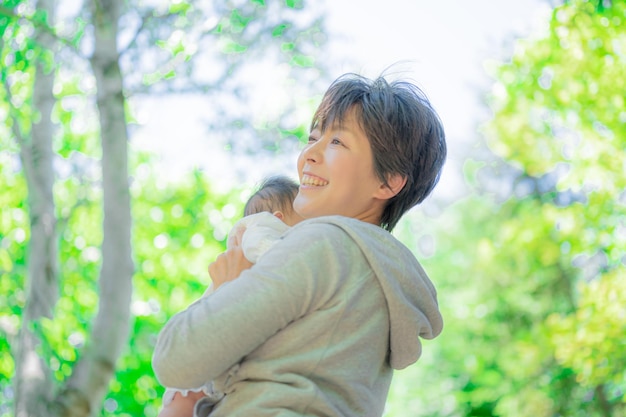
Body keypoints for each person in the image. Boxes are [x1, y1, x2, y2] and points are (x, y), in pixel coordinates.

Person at [152, 71, 447, 417]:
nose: (309, 154)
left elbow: (176, 359)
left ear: (388, 182)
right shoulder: (383, 278)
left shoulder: (324, 244)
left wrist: (224, 287)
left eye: (337, 142)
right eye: (313, 137)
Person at [157, 175, 303, 417]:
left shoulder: (254, 233)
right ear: (278, 219)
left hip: (212, 354)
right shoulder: (260, 230)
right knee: (184, 402)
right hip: (203, 349)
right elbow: (274, 255)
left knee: (186, 404)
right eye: (307, 223)